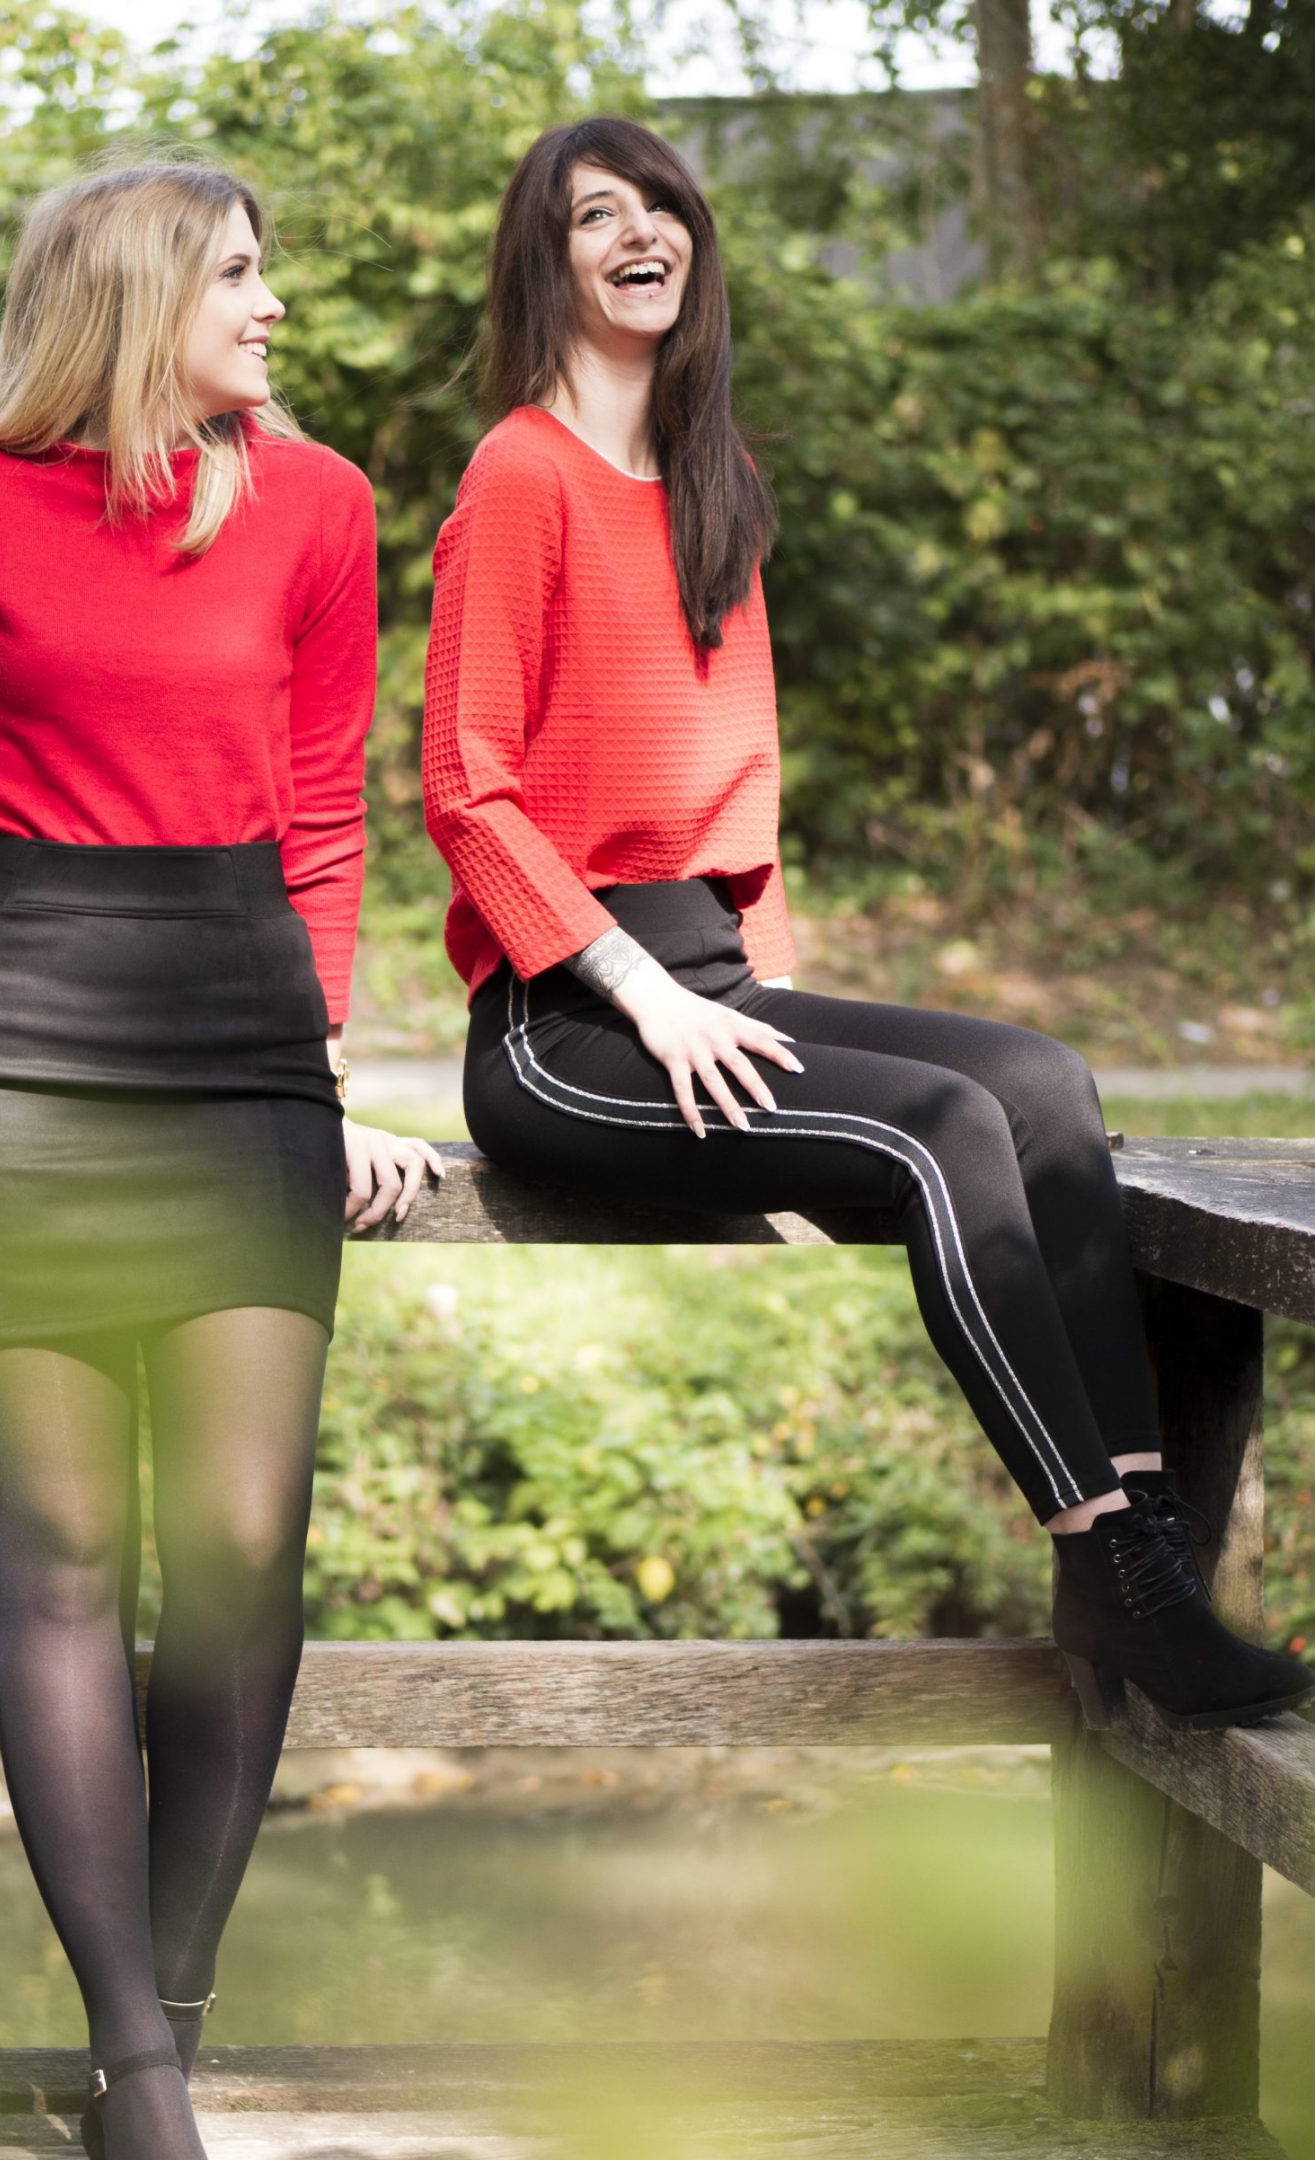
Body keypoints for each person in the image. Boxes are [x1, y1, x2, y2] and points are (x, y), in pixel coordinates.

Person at [423, 114, 1309, 1736]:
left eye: (663, 205)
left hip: (709, 977)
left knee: (1040, 1082)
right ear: (544, 261)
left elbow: (744, 771)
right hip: (569, 1023)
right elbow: (466, 791)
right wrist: (650, 998)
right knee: (939, 1131)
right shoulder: (519, 474)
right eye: (597, 213)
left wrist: (773, 994)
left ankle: (1151, 1549)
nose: (642, 231)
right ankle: (1118, 1572)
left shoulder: (716, 483)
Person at [0, 158, 443, 2160]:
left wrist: (335, 1070)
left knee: (244, 1552)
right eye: (241, 273)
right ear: (141, 292)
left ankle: (168, 1997)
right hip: (11, 1046)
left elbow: (324, 808)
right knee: (64, 1559)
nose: (273, 303)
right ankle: (136, 2060)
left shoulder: (320, 504)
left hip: (241, 1043)